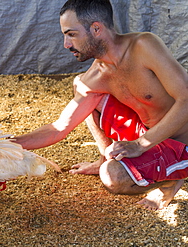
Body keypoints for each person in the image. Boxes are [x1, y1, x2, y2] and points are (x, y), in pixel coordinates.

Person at [13, 0, 188, 210]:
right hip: (149, 132)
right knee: (80, 85)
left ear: (96, 29)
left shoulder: (144, 46)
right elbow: (57, 129)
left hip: (181, 142)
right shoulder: (97, 75)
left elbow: (186, 100)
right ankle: (103, 159)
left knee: (112, 176)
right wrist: (3, 142)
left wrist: (140, 144)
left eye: (71, 34)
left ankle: (171, 181)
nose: (66, 44)